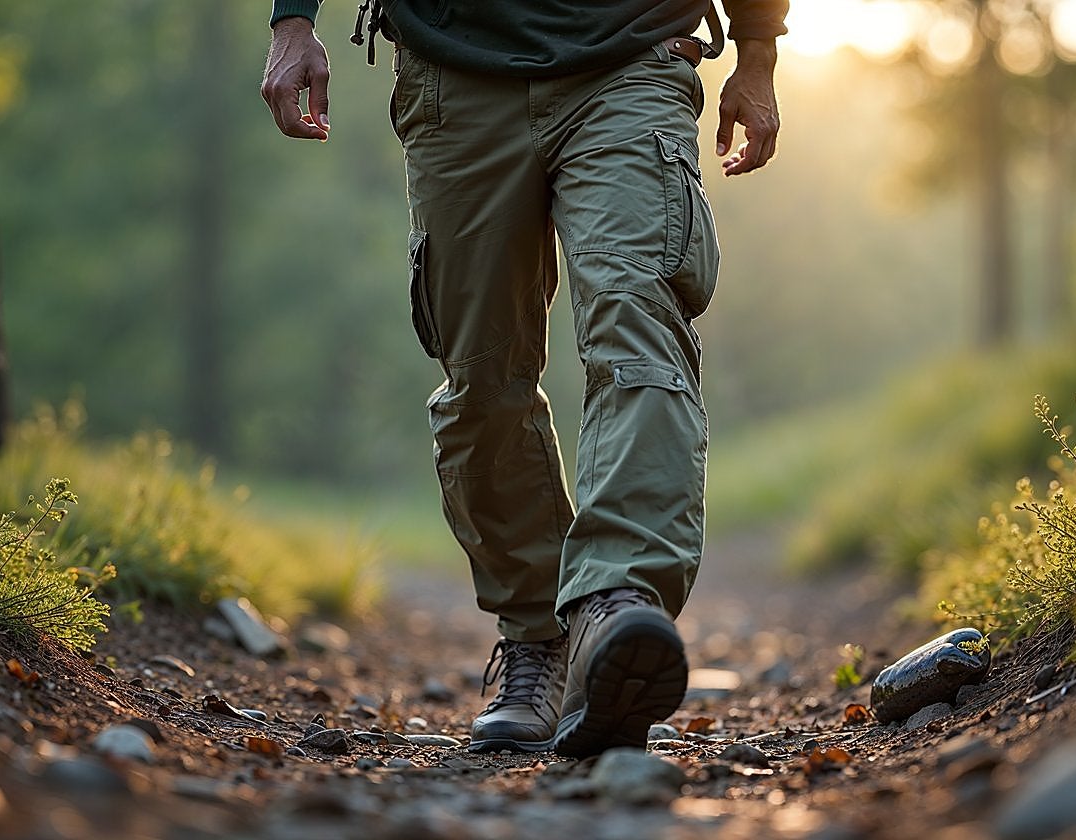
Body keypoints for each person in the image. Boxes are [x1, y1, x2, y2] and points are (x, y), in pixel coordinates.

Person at [262, 0, 788, 758]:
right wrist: (292, 19)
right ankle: (540, 639)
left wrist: (759, 47)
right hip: (454, 66)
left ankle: (616, 600)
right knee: (481, 380)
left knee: (636, 317)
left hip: (631, 56)